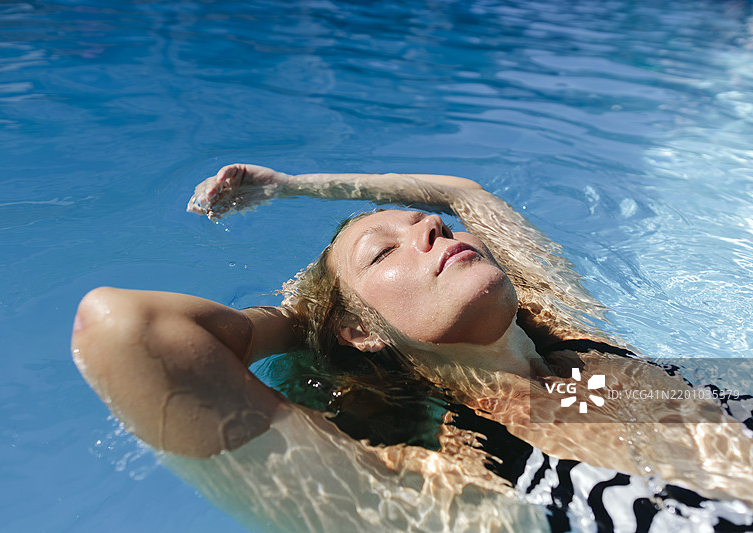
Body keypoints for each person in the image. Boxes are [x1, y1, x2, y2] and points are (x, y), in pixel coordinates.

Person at [72, 164, 753, 533]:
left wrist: (292, 187)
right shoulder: (449, 486)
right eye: (382, 252)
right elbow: (126, 330)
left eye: (422, 224)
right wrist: (304, 315)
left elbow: (459, 191)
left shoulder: (579, 341)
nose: (427, 225)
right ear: (360, 331)